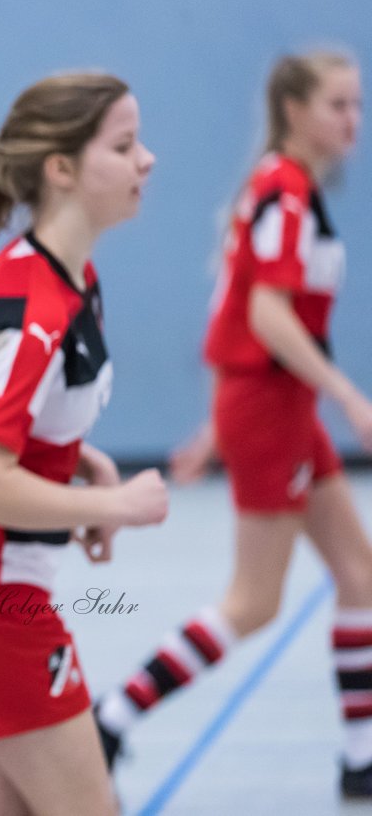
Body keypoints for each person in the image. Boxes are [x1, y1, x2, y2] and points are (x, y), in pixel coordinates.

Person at [94, 49, 372, 798]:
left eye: (357, 103)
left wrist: (218, 424)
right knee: (255, 602)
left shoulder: (282, 190)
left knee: (360, 573)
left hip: (274, 406)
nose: (352, 119)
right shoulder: (282, 195)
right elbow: (264, 318)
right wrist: (349, 397)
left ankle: (358, 759)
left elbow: (231, 313)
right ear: (295, 112)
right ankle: (111, 720)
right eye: (337, 104)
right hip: (276, 406)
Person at [0, 72, 168, 816]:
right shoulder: (32, 307)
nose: (147, 160)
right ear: (62, 169)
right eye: (123, 145)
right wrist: (117, 501)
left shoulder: (66, 278)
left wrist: (77, 462)